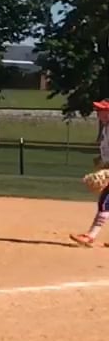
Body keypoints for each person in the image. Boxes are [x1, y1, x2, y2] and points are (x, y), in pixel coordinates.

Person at [70, 99, 109, 246]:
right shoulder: (106, 127)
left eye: (102, 110)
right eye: (98, 110)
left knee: (105, 202)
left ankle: (90, 236)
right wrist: (102, 160)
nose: (98, 112)